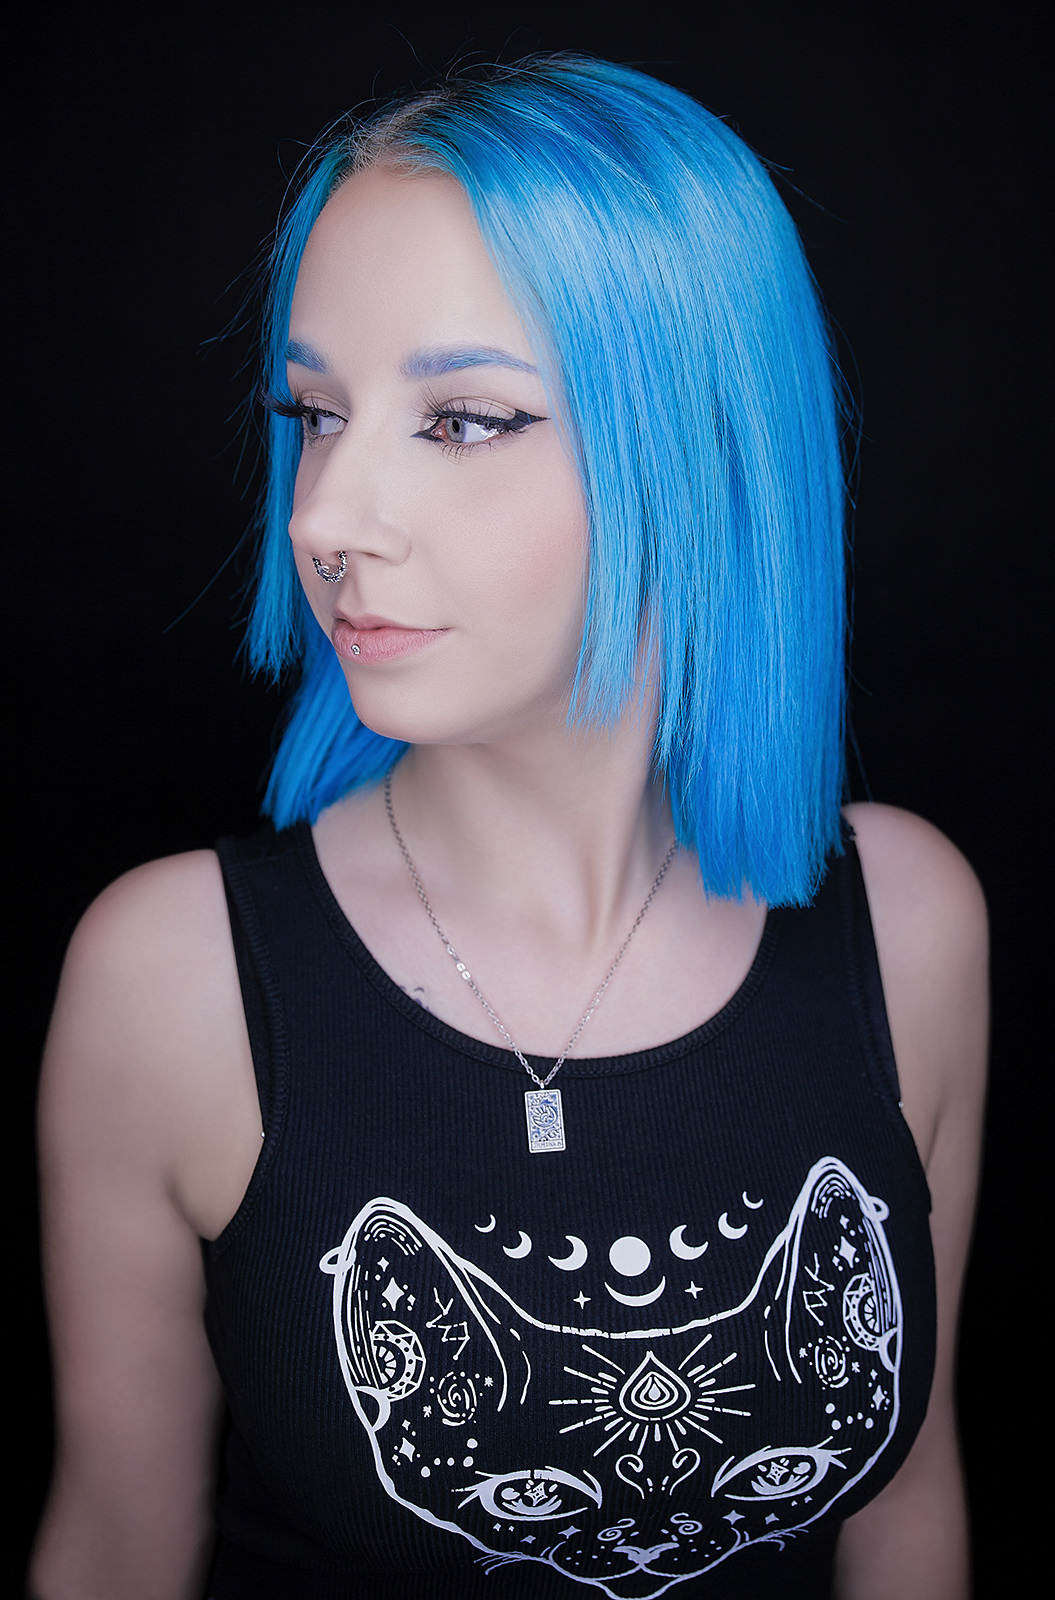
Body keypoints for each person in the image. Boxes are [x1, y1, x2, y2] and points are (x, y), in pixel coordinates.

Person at [29, 55, 987, 1600]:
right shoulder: (174, 983)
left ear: (703, 445)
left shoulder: (912, 927)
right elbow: (117, 1547)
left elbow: (909, 1499)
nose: (324, 516)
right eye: (315, 412)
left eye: (466, 420)